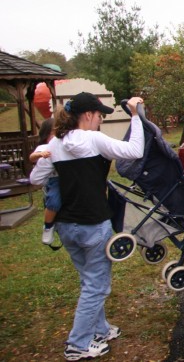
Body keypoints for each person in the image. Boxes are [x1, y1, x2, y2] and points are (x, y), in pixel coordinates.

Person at [30, 92, 145, 361]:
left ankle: (100, 330)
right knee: (97, 286)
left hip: (66, 226)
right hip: (93, 225)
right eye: (100, 115)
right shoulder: (94, 139)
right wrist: (135, 116)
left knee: (89, 281)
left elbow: (36, 179)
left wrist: (45, 156)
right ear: (88, 115)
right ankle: (78, 344)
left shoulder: (55, 144)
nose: (100, 120)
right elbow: (135, 151)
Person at [28, 118, 62, 246]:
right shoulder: (44, 147)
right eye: (54, 133)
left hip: (66, 177)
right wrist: (40, 154)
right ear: (47, 134)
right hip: (54, 179)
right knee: (54, 201)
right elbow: (31, 157)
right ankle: (48, 226)